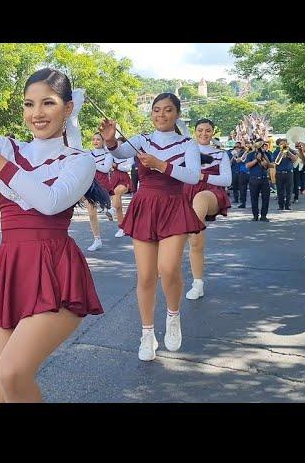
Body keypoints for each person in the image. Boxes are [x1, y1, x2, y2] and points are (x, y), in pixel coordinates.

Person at [0, 43, 105, 402]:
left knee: (13, 374)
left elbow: (50, 202)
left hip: (57, 274)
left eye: (48, 103)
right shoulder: (13, 148)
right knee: (1, 385)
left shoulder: (79, 160)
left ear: (68, 108)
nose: (37, 113)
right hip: (12, 269)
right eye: (30, 104)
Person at [100, 93, 203, 361]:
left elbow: (192, 176)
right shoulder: (142, 140)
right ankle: (147, 334)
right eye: (156, 110)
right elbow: (119, 151)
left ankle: (173, 316)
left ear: (177, 114)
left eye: (168, 110)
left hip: (174, 206)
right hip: (145, 206)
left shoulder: (187, 144)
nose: (161, 115)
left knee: (168, 269)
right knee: (145, 275)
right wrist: (111, 139)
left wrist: (161, 165)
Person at [182, 119, 232, 300]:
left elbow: (227, 180)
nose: (204, 133)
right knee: (195, 243)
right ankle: (198, 284)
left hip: (210, 193)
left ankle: (190, 230)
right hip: (186, 192)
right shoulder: (185, 150)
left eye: (208, 130)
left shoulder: (221, 154)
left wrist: (201, 175)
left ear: (213, 132)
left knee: (200, 199)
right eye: (200, 130)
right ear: (195, 132)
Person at [86, 132, 113, 251]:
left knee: (104, 203)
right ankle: (97, 240)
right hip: (90, 183)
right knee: (92, 214)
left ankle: (108, 208)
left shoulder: (108, 155)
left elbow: (105, 168)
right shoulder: (88, 153)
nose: (95, 141)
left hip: (103, 183)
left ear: (103, 141)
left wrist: (91, 163)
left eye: (98, 139)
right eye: (94, 139)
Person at [245, 139, 273, 221]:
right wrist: (256, 160)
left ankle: (264, 216)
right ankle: (255, 215)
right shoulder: (250, 155)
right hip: (253, 179)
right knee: (254, 198)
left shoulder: (267, 154)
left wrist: (266, 163)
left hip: (264, 179)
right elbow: (247, 166)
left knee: (266, 198)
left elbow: (271, 165)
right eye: (260, 145)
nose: (262, 146)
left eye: (263, 145)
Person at [272, 138, 298, 211]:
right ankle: (281, 205)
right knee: (280, 190)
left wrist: (288, 152)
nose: (283, 145)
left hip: (289, 173)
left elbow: (295, 159)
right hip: (279, 173)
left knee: (289, 190)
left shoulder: (291, 151)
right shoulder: (276, 152)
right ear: (278, 145)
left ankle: (288, 205)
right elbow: (275, 162)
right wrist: (281, 153)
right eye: (281, 144)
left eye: (284, 143)